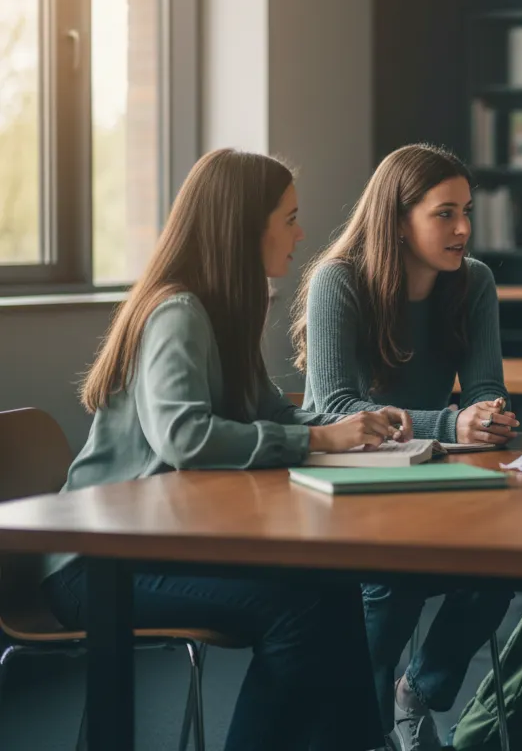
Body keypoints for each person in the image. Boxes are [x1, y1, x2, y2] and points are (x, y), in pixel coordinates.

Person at [44, 148, 408, 751]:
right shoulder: (177, 311)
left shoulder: (224, 312)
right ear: (247, 225)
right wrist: (317, 438)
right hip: (95, 565)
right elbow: (184, 438)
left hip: (158, 544)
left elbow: (274, 413)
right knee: (293, 613)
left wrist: (355, 424)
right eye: (289, 217)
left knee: (333, 582)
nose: (301, 232)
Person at [292, 143, 516, 750]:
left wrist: (488, 413)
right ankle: (364, 727)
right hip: (352, 490)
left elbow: (486, 386)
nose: (464, 228)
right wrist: (449, 425)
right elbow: (334, 407)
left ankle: (416, 691)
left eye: (466, 211)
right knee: (395, 578)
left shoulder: (474, 282)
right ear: (397, 217)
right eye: (445, 213)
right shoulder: (338, 282)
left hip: (437, 482)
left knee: (510, 558)